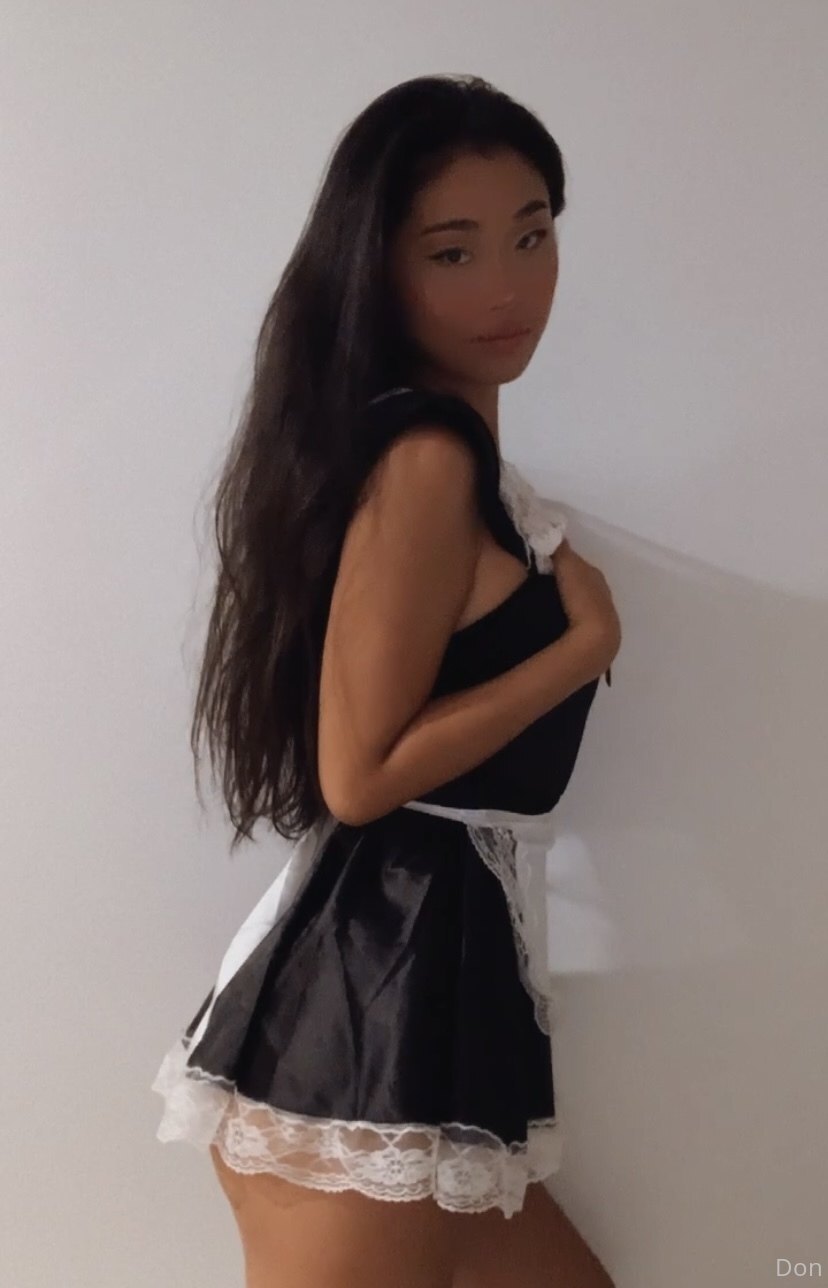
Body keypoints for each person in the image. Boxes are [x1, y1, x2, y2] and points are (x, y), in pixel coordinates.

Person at [151, 73, 621, 1288]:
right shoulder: (425, 459)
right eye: (453, 252)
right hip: (375, 1015)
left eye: (532, 235)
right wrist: (579, 649)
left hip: (415, 1001)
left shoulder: (450, 454)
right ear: (379, 268)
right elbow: (358, 776)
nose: (509, 286)